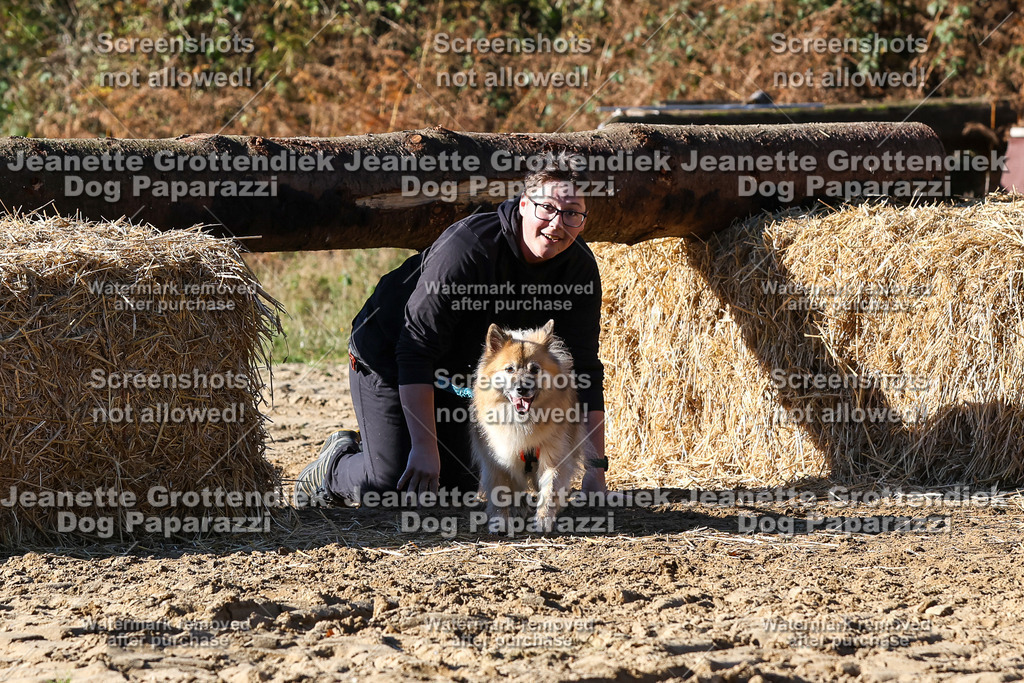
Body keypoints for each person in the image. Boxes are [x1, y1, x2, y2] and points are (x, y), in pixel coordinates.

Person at [293, 154, 607, 507]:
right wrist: (425, 450)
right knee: (395, 484)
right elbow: (415, 349)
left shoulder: (578, 269)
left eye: (572, 214)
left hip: (456, 380)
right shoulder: (469, 247)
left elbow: (584, 370)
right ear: (523, 204)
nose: (557, 223)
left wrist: (595, 470)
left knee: (453, 493)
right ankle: (334, 464)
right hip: (390, 356)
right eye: (547, 207)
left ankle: (408, 450)